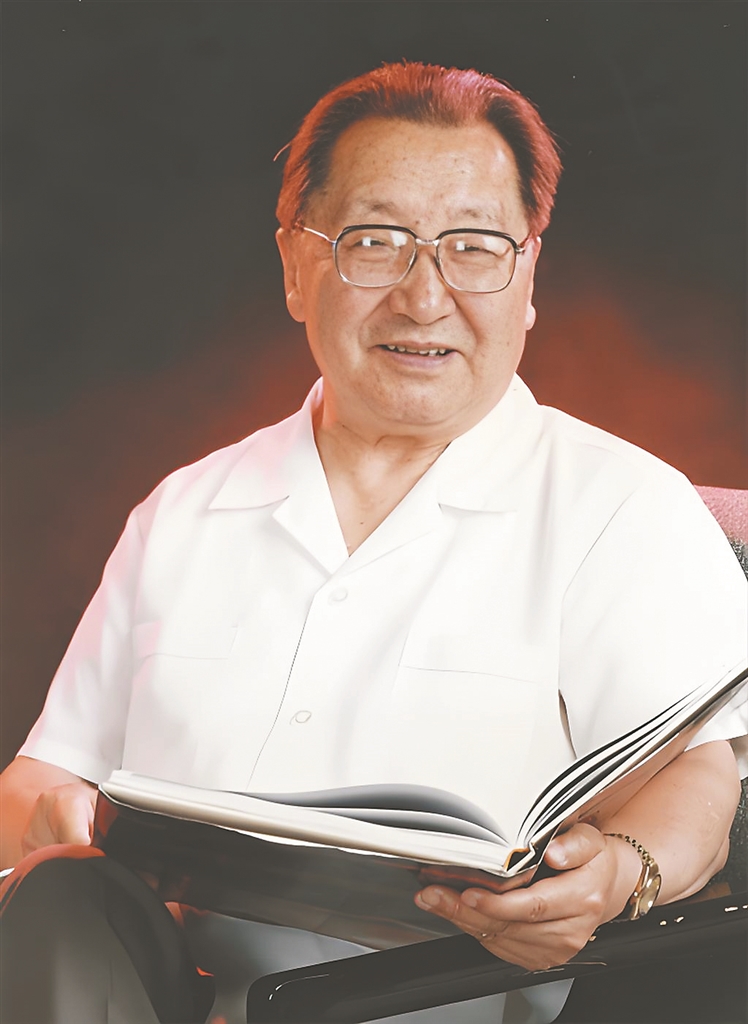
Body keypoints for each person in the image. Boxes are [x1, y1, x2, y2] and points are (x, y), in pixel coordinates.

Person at [1, 62, 746, 1024]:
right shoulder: (184, 511)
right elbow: (46, 773)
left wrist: (620, 872)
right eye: (375, 242)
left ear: (527, 277)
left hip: (434, 1004)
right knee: (60, 897)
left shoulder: (624, 505)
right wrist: (54, 818)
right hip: (153, 996)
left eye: (474, 246)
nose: (424, 297)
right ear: (295, 268)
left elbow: (698, 778)